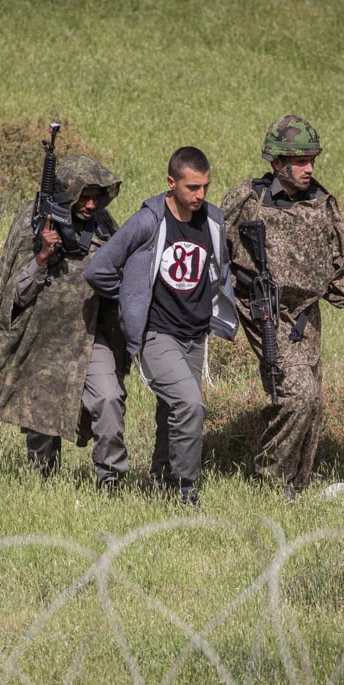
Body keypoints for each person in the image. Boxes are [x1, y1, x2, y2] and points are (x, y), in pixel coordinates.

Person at [220, 114, 344, 498]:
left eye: (312, 160)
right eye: (301, 161)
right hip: (264, 309)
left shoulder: (322, 202)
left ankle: (296, 485)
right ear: (277, 163)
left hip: (306, 312)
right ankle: (270, 483)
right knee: (296, 394)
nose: (309, 169)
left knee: (313, 402)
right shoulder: (247, 201)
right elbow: (210, 246)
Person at [85, 146, 238, 506]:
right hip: (157, 335)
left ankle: (163, 479)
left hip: (195, 335)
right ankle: (187, 489)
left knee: (172, 410)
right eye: (192, 188)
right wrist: (129, 300)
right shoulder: (147, 221)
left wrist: (218, 314)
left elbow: (221, 270)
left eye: (205, 187)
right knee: (190, 405)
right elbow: (99, 269)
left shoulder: (213, 220)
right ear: (171, 183)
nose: (200, 195)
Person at [0, 154, 129, 491]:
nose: (91, 204)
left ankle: (111, 484)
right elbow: (15, 296)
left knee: (108, 400)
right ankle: (42, 485)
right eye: (84, 196)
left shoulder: (106, 225)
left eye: (97, 196)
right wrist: (42, 259)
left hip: (91, 336)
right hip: (43, 337)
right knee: (40, 420)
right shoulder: (32, 223)